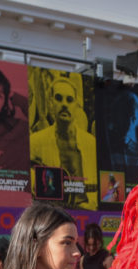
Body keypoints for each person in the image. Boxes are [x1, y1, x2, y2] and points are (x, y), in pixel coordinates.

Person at [29, 77, 98, 209]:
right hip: (52, 213)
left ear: (76, 106)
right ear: (50, 103)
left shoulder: (91, 144)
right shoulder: (36, 142)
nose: (64, 104)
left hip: (88, 212)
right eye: (59, 98)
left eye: (69, 100)